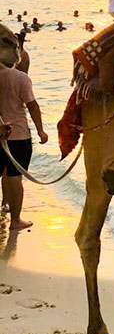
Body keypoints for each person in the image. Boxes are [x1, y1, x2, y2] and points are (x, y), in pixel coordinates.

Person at [0, 61, 49, 230]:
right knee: (14, 177)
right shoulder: (20, 78)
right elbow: (32, 105)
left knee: (5, 174)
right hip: (17, 135)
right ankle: (15, 220)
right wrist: (41, 130)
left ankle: (4, 204)